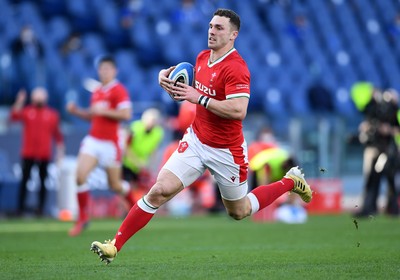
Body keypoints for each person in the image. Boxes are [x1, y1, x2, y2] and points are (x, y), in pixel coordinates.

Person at [90, 9, 312, 264]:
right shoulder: (202, 57)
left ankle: (290, 181)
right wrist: (164, 76)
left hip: (226, 151)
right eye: (210, 26)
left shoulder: (236, 68)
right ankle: (114, 246)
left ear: (233, 35)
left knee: (239, 212)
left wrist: (200, 98)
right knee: (158, 191)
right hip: (196, 141)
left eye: (219, 28)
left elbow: (239, 110)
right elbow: (179, 78)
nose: (212, 31)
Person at [66, 55, 135, 236]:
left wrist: (103, 110)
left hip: (110, 144)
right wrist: (77, 111)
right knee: (80, 176)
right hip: (94, 140)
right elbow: (93, 116)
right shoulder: (97, 91)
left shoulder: (118, 90)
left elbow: (126, 114)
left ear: (114, 71)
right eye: (101, 69)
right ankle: (82, 218)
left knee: (115, 186)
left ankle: (134, 206)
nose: (104, 72)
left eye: (107, 69)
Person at [9, 87, 64, 217]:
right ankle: (20, 209)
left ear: (46, 98)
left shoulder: (52, 114)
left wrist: (60, 152)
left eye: (41, 96)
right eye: (37, 96)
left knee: (42, 182)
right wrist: (19, 101)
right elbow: (14, 116)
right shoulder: (27, 111)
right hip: (28, 153)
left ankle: (41, 209)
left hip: (44, 153)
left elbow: (58, 135)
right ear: (33, 97)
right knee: (24, 181)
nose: (39, 98)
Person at [351, 84, 400, 218]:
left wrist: (386, 129)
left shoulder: (391, 112)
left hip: (387, 150)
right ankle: (375, 207)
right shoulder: (375, 110)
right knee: (376, 178)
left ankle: (390, 208)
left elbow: (394, 129)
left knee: (385, 178)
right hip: (381, 149)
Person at [122, 108, 164, 203]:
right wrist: (135, 161)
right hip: (128, 163)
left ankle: (133, 208)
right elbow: (125, 147)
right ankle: (125, 208)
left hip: (142, 165)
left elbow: (154, 150)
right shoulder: (135, 128)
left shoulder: (158, 133)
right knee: (126, 187)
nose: (152, 122)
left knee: (139, 188)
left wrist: (150, 165)